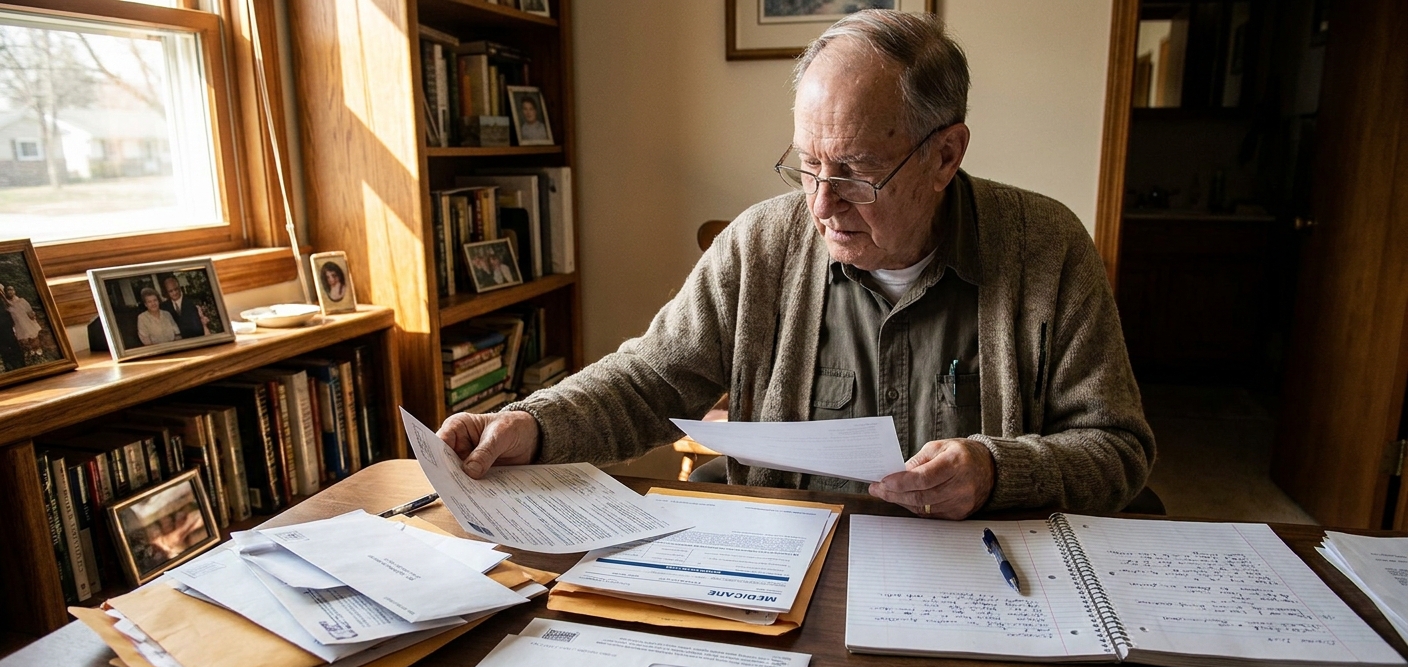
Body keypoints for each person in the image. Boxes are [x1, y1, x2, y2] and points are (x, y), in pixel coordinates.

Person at [438, 10, 1154, 518]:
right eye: (807, 165)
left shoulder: (1046, 247)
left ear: (945, 155)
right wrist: (532, 423)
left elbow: (1117, 451)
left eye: (856, 173)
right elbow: (652, 378)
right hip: (790, 566)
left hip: (987, 571)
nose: (821, 205)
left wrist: (999, 473)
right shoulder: (761, 245)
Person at [4, 284, 44, 363]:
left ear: (14, 291)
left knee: (33, 334)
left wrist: (32, 317)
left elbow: (29, 310)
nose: (10, 292)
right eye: (8, 290)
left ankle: (37, 349)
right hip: (18, 324)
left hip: (27, 320)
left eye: (11, 290)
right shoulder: (7, 305)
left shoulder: (22, 301)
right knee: (24, 338)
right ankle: (30, 351)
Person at [0, 282, 26, 371]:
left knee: (11, 340)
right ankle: (10, 365)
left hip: (4, 317)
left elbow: (6, 300)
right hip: (3, 318)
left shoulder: (1, 287)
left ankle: (20, 364)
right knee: (3, 344)